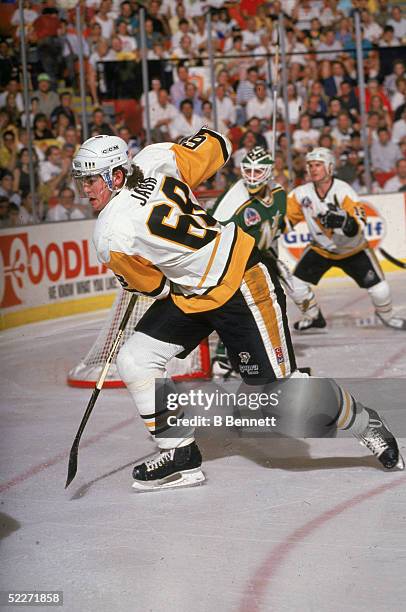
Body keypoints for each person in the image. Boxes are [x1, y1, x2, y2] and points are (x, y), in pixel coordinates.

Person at [72, 131, 404, 491]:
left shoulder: (109, 233)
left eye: (91, 180)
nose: (85, 189)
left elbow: (156, 288)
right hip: (196, 292)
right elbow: (218, 143)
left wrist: (152, 271)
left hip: (242, 282)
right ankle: (180, 455)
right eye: (83, 181)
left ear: (116, 176)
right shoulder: (156, 158)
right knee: (136, 358)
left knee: (281, 395)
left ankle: (364, 422)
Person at [211, 146, 320, 374]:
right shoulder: (233, 203)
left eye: (257, 172)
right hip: (236, 261)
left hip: (263, 255)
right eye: (247, 171)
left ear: (269, 173)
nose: (251, 177)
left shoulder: (279, 194)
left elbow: (278, 223)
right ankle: (223, 357)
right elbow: (214, 234)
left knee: (281, 298)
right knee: (242, 307)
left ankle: (298, 325)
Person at [287, 147, 406, 332]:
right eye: (310, 165)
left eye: (318, 165)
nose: (313, 169)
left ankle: (387, 316)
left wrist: (345, 222)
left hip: (353, 250)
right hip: (321, 249)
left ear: (330, 167)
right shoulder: (300, 193)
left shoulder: (344, 191)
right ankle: (313, 316)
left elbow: (358, 223)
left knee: (380, 290)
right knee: (295, 286)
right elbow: (285, 221)